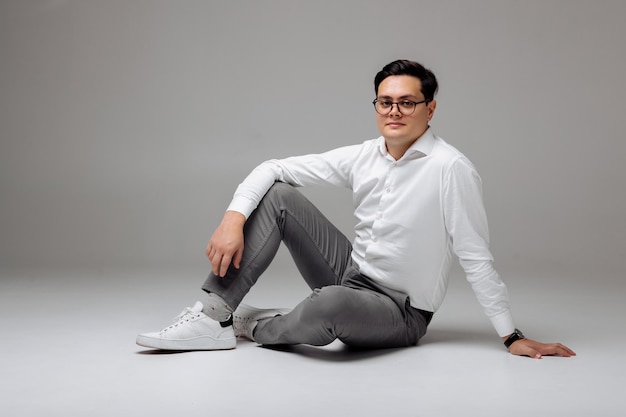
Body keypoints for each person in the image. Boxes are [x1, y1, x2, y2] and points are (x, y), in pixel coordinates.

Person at [137, 59, 575, 359]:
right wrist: (232, 218)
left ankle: (252, 326)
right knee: (280, 195)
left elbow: (475, 256)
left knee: (329, 306)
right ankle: (212, 317)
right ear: (377, 106)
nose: (395, 111)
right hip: (350, 275)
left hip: (400, 312)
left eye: (408, 102)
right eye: (386, 102)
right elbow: (273, 167)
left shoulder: (450, 169)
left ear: (430, 108)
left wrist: (511, 335)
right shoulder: (366, 154)